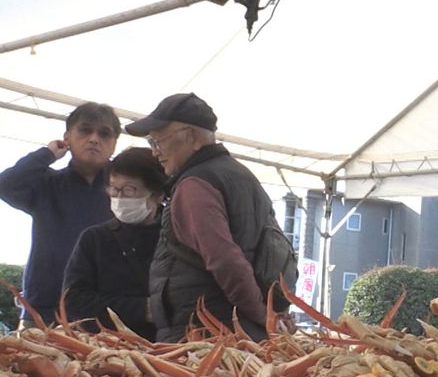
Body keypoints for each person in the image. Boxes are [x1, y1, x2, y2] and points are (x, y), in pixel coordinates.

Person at [125, 93, 287, 342]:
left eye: (158, 142)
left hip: (205, 336)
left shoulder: (195, 185)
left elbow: (225, 260)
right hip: (242, 333)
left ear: (191, 137)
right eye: (152, 143)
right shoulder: (244, 177)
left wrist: (262, 315)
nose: (155, 153)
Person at [0, 102, 118, 325]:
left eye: (105, 134)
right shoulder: (46, 184)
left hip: (106, 313)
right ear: (67, 137)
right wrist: (46, 154)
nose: (94, 138)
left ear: (113, 146)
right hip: (44, 312)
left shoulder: (126, 191)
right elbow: (5, 185)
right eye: (85, 130)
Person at [62, 148, 166, 339]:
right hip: (106, 348)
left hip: (167, 348)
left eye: (129, 190)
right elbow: (73, 300)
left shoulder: (176, 238)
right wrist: (142, 309)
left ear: (158, 194)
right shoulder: (94, 239)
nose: (119, 198)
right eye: (113, 189)